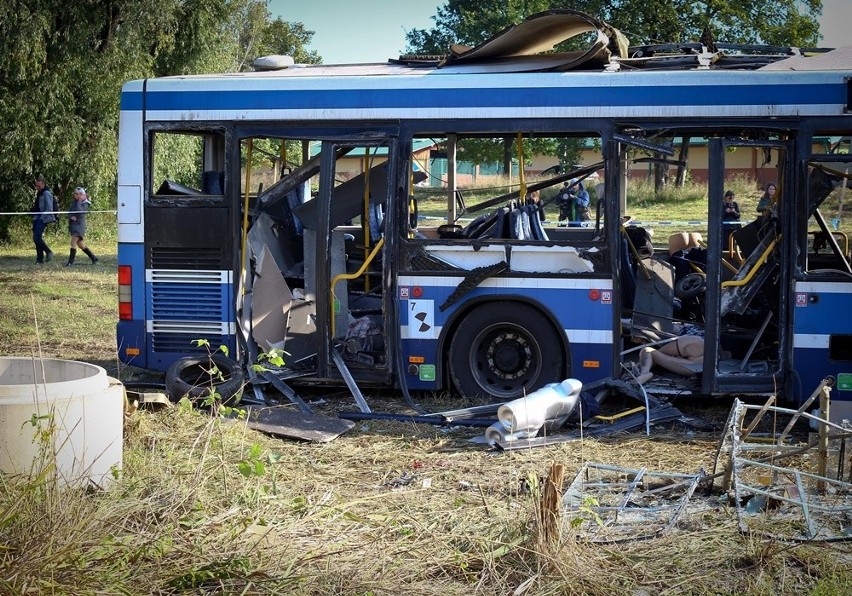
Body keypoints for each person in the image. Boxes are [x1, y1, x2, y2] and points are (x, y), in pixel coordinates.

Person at [634, 334, 705, 385]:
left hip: (695, 367)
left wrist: (639, 365)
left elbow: (658, 352)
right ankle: (643, 374)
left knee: (646, 350)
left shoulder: (691, 342)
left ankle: (643, 374)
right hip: (702, 367)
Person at [65, 186, 99, 266]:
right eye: (76, 193)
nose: (77, 195)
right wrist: (71, 217)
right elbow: (69, 213)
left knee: (73, 242)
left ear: (83, 194)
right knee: (81, 245)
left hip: (79, 226)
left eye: (80, 194)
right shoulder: (74, 202)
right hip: (73, 225)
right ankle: (93, 257)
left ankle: (70, 262)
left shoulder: (86, 203)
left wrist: (80, 201)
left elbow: (80, 211)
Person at [32, 175, 56, 264]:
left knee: (37, 237)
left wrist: (41, 218)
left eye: (39, 186)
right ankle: (39, 259)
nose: (37, 188)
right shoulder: (39, 193)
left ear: (43, 184)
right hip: (37, 217)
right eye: (36, 186)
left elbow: (49, 208)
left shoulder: (46, 193)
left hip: (44, 218)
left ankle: (48, 252)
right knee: (36, 238)